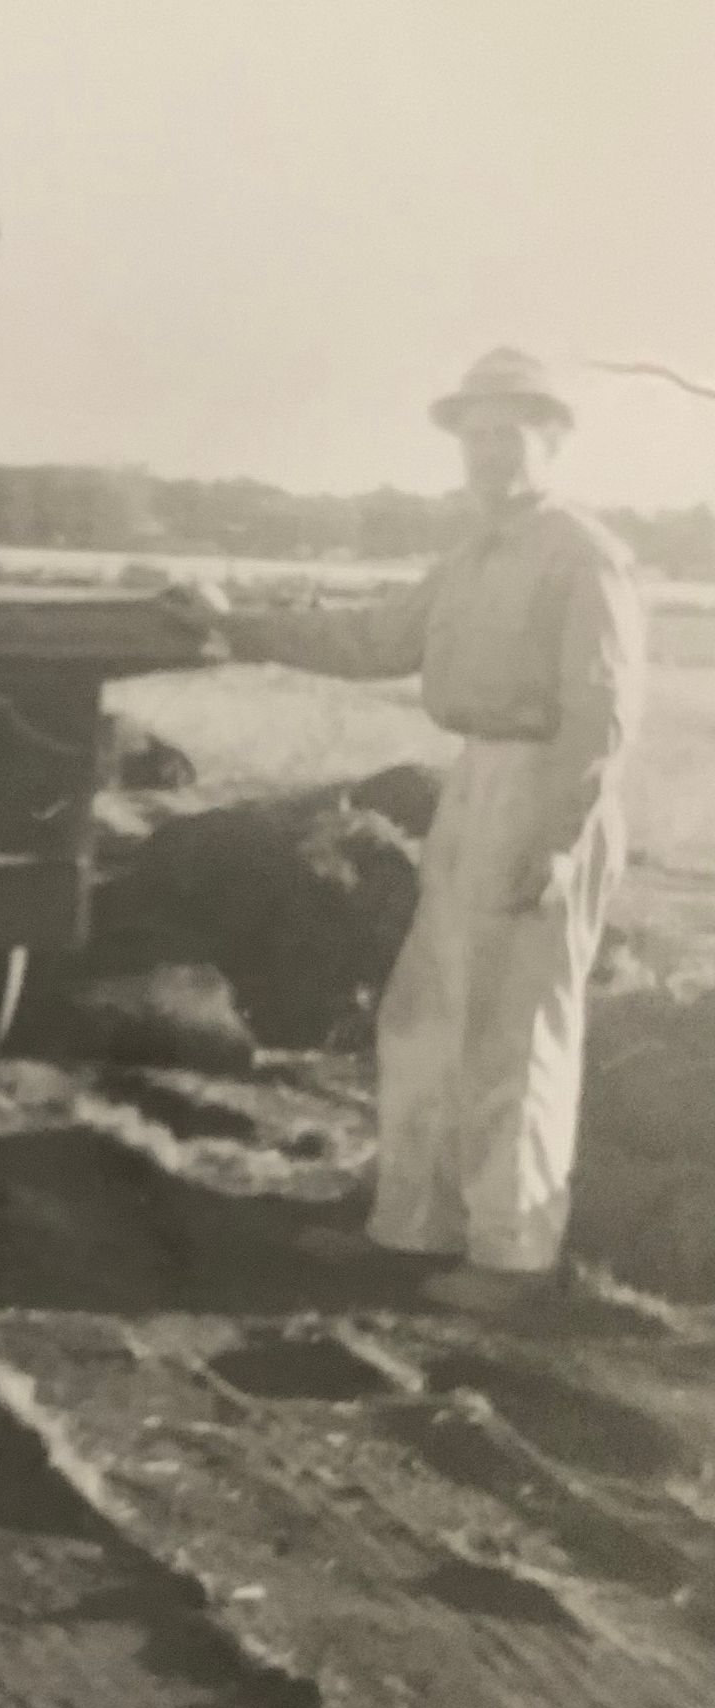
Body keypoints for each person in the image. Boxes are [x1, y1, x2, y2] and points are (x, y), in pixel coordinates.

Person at [178, 348, 647, 1312]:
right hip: (475, 783)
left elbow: (602, 713)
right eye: (474, 436)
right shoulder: (472, 554)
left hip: (548, 785)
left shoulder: (582, 552)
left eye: (509, 433)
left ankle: (513, 1261)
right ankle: (412, 1230)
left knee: (515, 1030)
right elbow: (373, 641)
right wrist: (242, 626)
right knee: (426, 1017)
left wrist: (555, 842)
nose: (488, 453)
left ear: (553, 438)